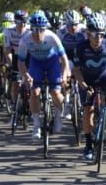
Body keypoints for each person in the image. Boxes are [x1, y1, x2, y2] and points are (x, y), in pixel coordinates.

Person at [71, 14, 106, 161]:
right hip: (87, 80)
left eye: (101, 35)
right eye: (95, 35)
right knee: (88, 111)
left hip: (104, 77)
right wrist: (83, 85)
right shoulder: (81, 47)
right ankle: (89, 145)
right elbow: (76, 70)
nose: (98, 38)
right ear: (88, 33)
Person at [18, 11, 70, 140]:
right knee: (34, 92)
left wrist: (64, 75)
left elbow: (64, 59)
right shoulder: (25, 40)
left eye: (41, 29)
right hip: (36, 64)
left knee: (55, 92)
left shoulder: (52, 37)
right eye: (35, 29)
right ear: (31, 29)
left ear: (45, 29)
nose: (38, 33)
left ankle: (58, 115)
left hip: (53, 63)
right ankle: (36, 125)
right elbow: (21, 62)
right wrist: (26, 76)